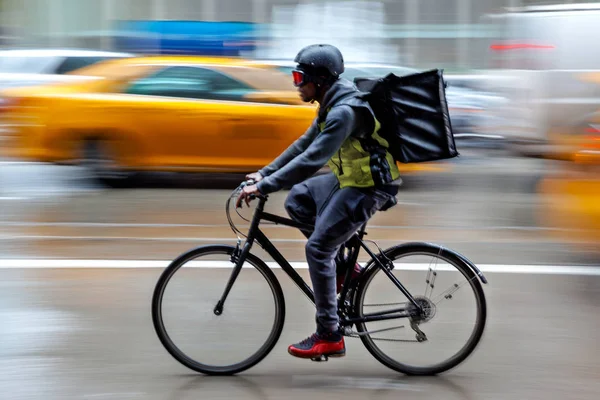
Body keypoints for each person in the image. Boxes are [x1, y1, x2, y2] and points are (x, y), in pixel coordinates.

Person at [237, 44, 400, 360]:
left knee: (318, 249)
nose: (296, 83)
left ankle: (329, 334)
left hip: (370, 186)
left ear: (321, 79)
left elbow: (312, 159)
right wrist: (263, 174)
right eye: (294, 76)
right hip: (351, 179)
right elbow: (302, 145)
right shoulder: (330, 103)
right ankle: (345, 268)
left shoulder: (342, 112)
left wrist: (265, 186)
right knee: (298, 200)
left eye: (300, 76)